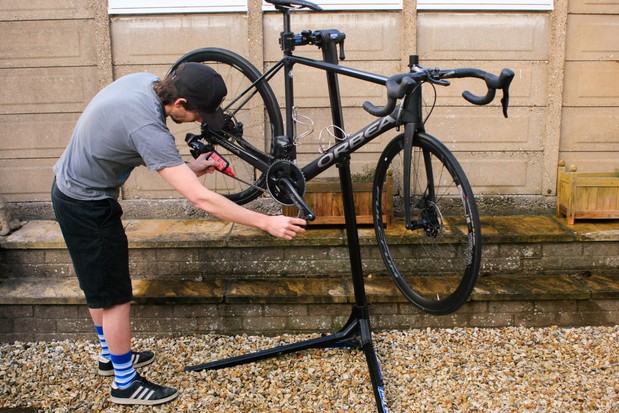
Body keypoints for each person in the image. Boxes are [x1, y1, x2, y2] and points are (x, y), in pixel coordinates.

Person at [51, 62, 307, 406]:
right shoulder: (146, 125)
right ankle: (124, 384)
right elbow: (200, 199)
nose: (202, 122)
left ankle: (110, 357)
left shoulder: (146, 85)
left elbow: (147, 152)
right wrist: (267, 222)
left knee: (99, 286)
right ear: (181, 103)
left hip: (75, 193)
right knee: (113, 296)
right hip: (86, 204)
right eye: (199, 115)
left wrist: (196, 167)